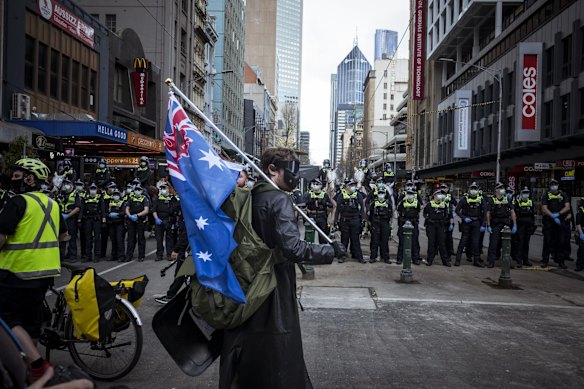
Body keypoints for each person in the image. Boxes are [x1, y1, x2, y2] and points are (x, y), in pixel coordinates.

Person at [219, 147, 346, 389]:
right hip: (272, 288)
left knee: (251, 348)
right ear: (272, 169)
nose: (295, 176)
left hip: (246, 283)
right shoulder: (278, 200)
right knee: (278, 352)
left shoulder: (250, 196)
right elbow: (294, 248)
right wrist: (331, 251)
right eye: (292, 170)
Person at [0, 158, 67, 382]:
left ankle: (37, 365)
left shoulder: (17, 202)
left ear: (30, 178)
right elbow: (63, 236)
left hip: (16, 272)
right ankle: (29, 370)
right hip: (45, 274)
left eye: (18, 175)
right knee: (31, 323)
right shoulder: (53, 204)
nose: (13, 179)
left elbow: (1, 236)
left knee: (7, 319)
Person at [485, 182, 517, 268]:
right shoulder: (491, 200)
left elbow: (512, 212)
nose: (502, 189)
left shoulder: (508, 199)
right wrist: (488, 225)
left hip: (506, 224)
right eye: (500, 188)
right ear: (496, 190)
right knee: (493, 244)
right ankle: (491, 262)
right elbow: (488, 213)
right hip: (495, 224)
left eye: (503, 188)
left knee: (507, 245)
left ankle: (507, 262)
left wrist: (514, 224)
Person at [541, 179, 570, 269]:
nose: (554, 186)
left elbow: (567, 207)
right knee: (548, 241)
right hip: (549, 220)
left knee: (561, 241)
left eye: (555, 184)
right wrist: (552, 216)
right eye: (552, 184)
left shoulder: (563, 194)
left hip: (560, 220)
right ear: (550, 186)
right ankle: (545, 261)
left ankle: (560, 261)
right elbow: (544, 208)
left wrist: (559, 214)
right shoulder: (546, 195)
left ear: (558, 185)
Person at [334, 179, 365, 263]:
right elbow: (337, 210)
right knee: (344, 239)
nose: (352, 187)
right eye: (350, 185)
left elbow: (362, 208)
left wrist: (363, 219)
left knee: (355, 239)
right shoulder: (341, 195)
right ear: (346, 186)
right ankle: (342, 256)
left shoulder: (358, 195)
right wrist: (336, 220)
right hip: (345, 220)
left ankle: (359, 257)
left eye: (353, 185)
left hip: (355, 219)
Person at [455, 182, 485, 267]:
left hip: (476, 222)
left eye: (475, 189)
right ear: (469, 190)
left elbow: (485, 212)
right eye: (472, 189)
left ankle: (476, 260)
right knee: (463, 241)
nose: (473, 191)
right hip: (467, 222)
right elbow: (457, 210)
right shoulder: (464, 199)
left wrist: (483, 224)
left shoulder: (480, 199)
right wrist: (464, 218)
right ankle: (458, 260)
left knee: (476, 242)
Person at [423, 189, 453, 266]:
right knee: (431, 243)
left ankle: (445, 261)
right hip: (431, 225)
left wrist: (444, 221)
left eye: (441, 194)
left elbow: (446, 214)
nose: (440, 195)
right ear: (434, 196)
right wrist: (428, 219)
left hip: (440, 226)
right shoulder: (429, 204)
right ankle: (430, 260)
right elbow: (425, 213)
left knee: (442, 243)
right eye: (438, 194)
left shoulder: (443, 205)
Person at [152, 183, 177, 261]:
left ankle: (169, 254)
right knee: (159, 239)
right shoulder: (157, 199)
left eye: (164, 188)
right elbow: (154, 210)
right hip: (159, 220)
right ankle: (159, 255)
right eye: (161, 188)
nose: (163, 190)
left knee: (169, 239)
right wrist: (156, 219)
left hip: (168, 221)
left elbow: (175, 210)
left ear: (168, 189)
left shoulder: (172, 199)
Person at [396, 188, 421, 265]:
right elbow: (399, 211)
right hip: (404, 222)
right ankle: (400, 258)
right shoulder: (402, 203)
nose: (410, 196)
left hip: (413, 223)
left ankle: (415, 258)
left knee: (414, 242)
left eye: (411, 194)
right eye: (408, 194)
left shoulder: (417, 203)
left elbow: (418, 211)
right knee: (402, 242)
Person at [125, 184, 150, 262]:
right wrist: (130, 216)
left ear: (142, 191)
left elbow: (146, 210)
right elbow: (127, 208)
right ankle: (129, 255)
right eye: (136, 189)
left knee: (141, 238)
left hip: (140, 220)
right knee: (130, 239)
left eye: (139, 190)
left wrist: (137, 215)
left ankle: (141, 256)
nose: (137, 191)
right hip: (131, 220)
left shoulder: (144, 199)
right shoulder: (131, 198)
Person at [58, 178, 80, 261]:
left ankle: (72, 256)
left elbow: (78, 207)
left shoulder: (75, 194)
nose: (66, 185)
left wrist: (68, 215)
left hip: (71, 219)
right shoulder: (61, 194)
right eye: (65, 183)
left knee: (72, 237)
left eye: (68, 183)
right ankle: (61, 256)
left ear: (71, 185)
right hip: (62, 219)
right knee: (62, 237)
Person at [368, 187, 392, 263]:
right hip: (376, 223)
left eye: (382, 193)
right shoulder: (373, 204)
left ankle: (385, 257)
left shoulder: (388, 204)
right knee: (374, 241)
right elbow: (370, 215)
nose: (381, 195)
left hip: (385, 223)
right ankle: (373, 257)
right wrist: (371, 224)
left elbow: (391, 214)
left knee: (385, 241)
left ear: (385, 195)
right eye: (379, 193)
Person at [80, 183, 104, 263]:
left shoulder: (99, 197)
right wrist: (80, 219)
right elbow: (82, 209)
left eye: (94, 188)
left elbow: (103, 210)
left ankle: (97, 256)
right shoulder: (85, 198)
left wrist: (103, 221)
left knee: (97, 238)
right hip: (87, 220)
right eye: (91, 189)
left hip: (96, 219)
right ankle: (88, 256)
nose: (93, 190)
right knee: (88, 238)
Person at [514, 187, 535, 267]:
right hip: (520, 226)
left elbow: (532, 215)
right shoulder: (518, 202)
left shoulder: (530, 202)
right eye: (524, 193)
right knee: (520, 243)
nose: (526, 194)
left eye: (527, 193)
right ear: (521, 193)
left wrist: (533, 225)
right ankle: (519, 260)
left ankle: (525, 260)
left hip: (528, 226)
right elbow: (516, 214)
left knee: (526, 243)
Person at [105, 187, 126, 262]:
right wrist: (109, 215)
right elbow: (105, 212)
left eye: (117, 194)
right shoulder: (109, 202)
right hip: (111, 223)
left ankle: (121, 256)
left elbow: (124, 212)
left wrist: (117, 214)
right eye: (114, 194)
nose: (116, 196)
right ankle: (114, 255)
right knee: (113, 240)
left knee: (119, 239)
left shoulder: (122, 202)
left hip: (119, 223)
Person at [100, 182, 116, 260]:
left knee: (113, 238)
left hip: (113, 220)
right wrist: (104, 219)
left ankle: (114, 254)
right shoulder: (103, 196)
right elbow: (102, 209)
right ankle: (102, 253)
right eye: (111, 187)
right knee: (103, 238)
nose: (113, 189)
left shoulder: (115, 196)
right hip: (105, 218)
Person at [440, 183, 457, 257]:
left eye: (445, 188)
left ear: (447, 189)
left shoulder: (450, 197)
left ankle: (450, 251)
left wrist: (454, 215)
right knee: (441, 237)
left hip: (449, 219)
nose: (443, 189)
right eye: (442, 188)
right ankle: (440, 251)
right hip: (440, 219)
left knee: (449, 237)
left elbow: (457, 205)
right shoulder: (438, 196)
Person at [576, 198, 584, 272]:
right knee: (582, 249)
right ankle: (579, 265)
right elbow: (578, 223)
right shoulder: (581, 209)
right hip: (582, 230)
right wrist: (581, 233)